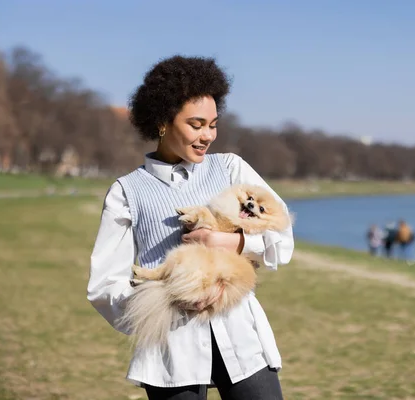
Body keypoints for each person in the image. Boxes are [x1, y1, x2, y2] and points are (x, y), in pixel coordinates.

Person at [87, 55, 293, 400]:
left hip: (242, 339)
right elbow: (105, 285)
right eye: (196, 124)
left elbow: (281, 237)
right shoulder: (127, 193)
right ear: (163, 122)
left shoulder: (230, 168)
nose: (208, 135)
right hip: (170, 353)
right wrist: (166, 301)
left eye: (213, 124)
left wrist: (230, 243)